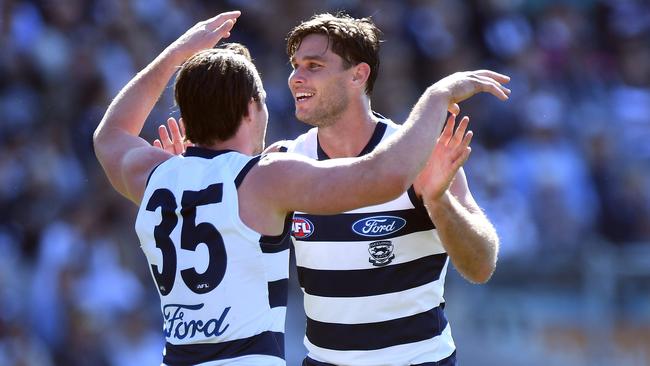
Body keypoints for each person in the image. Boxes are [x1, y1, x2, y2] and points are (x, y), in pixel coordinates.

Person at [94, 10, 510, 366]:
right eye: (294, 65)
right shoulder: (276, 170)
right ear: (252, 109)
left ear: (358, 75)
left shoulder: (172, 175)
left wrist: (437, 202)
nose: (295, 78)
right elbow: (384, 177)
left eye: (313, 65)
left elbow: (481, 265)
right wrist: (437, 97)